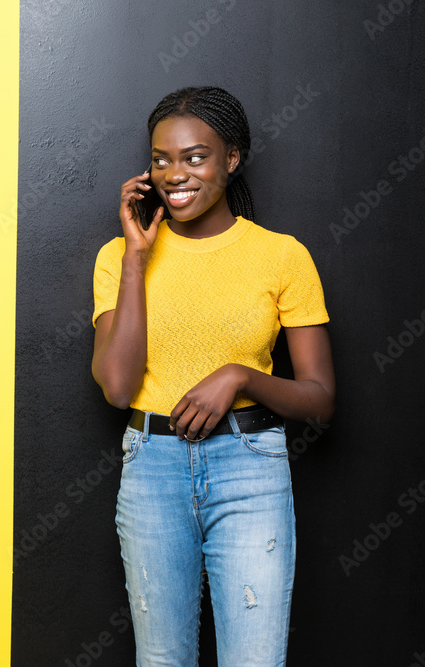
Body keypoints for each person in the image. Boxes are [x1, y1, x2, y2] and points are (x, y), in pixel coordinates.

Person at [91, 86, 335, 666]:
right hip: (151, 466)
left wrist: (240, 376)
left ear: (231, 158)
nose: (176, 173)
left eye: (195, 156)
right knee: (162, 661)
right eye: (161, 159)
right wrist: (135, 258)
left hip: (250, 467)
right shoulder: (117, 257)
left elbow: (321, 400)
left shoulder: (281, 256)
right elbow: (118, 388)